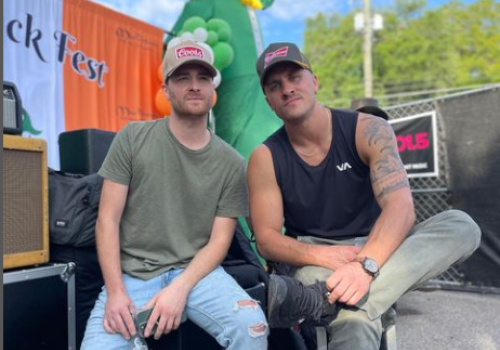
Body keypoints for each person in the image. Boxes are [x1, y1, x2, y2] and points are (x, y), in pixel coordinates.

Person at [248, 42, 481, 350]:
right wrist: (324, 255)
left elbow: (400, 208)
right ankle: (342, 302)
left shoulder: (367, 129)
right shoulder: (265, 156)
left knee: (461, 225)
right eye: (275, 85)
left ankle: (331, 302)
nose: (287, 89)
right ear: (269, 100)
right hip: (317, 258)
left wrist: (364, 267)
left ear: (314, 81)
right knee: (355, 324)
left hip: (380, 247)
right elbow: (266, 239)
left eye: (294, 77)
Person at [80, 40, 270, 350]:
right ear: (166, 88)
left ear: (213, 89)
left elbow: (220, 241)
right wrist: (115, 293)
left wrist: (179, 289)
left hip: (196, 273)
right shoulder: (132, 138)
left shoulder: (232, 162)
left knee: (252, 329)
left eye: (203, 78)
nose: (194, 86)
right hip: (132, 275)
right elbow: (107, 219)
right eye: (183, 78)